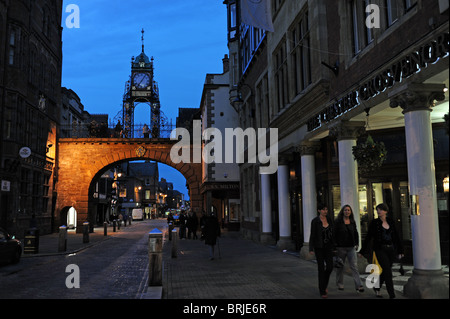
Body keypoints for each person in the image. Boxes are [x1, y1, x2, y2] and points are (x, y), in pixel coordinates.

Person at [360, 203, 404, 299]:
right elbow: (368, 237)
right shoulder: (374, 223)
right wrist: (362, 251)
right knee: (388, 271)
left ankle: (377, 287)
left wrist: (400, 250)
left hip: (391, 249)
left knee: (386, 270)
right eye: (377, 209)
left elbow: (396, 236)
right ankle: (391, 294)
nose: (378, 211)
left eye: (380, 209)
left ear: (386, 211)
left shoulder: (391, 221)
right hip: (380, 249)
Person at [333, 205, 364, 292]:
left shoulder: (352, 221)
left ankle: (359, 285)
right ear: (343, 211)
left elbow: (356, 232)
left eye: (349, 210)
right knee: (340, 266)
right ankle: (340, 283)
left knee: (354, 266)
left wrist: (357, 243)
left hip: (351, 247)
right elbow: (334, 234)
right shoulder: (338, 222)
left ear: (351, 212)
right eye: (345, 210)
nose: (347, 212)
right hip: (340, 247)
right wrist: (335, 247)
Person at [309, 203, 334, 298]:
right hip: (319, 247)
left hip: (328, 247)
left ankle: (324, 284)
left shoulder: (330, 220)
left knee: (330, 267)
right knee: (321, 268)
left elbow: (333, 232)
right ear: (319, 210)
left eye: (326, 209)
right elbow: (313, 235)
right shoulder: (315, 221)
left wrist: (334, 245)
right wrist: (311, 248)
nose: (325, 211)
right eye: (323, 209)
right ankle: (322, 290)